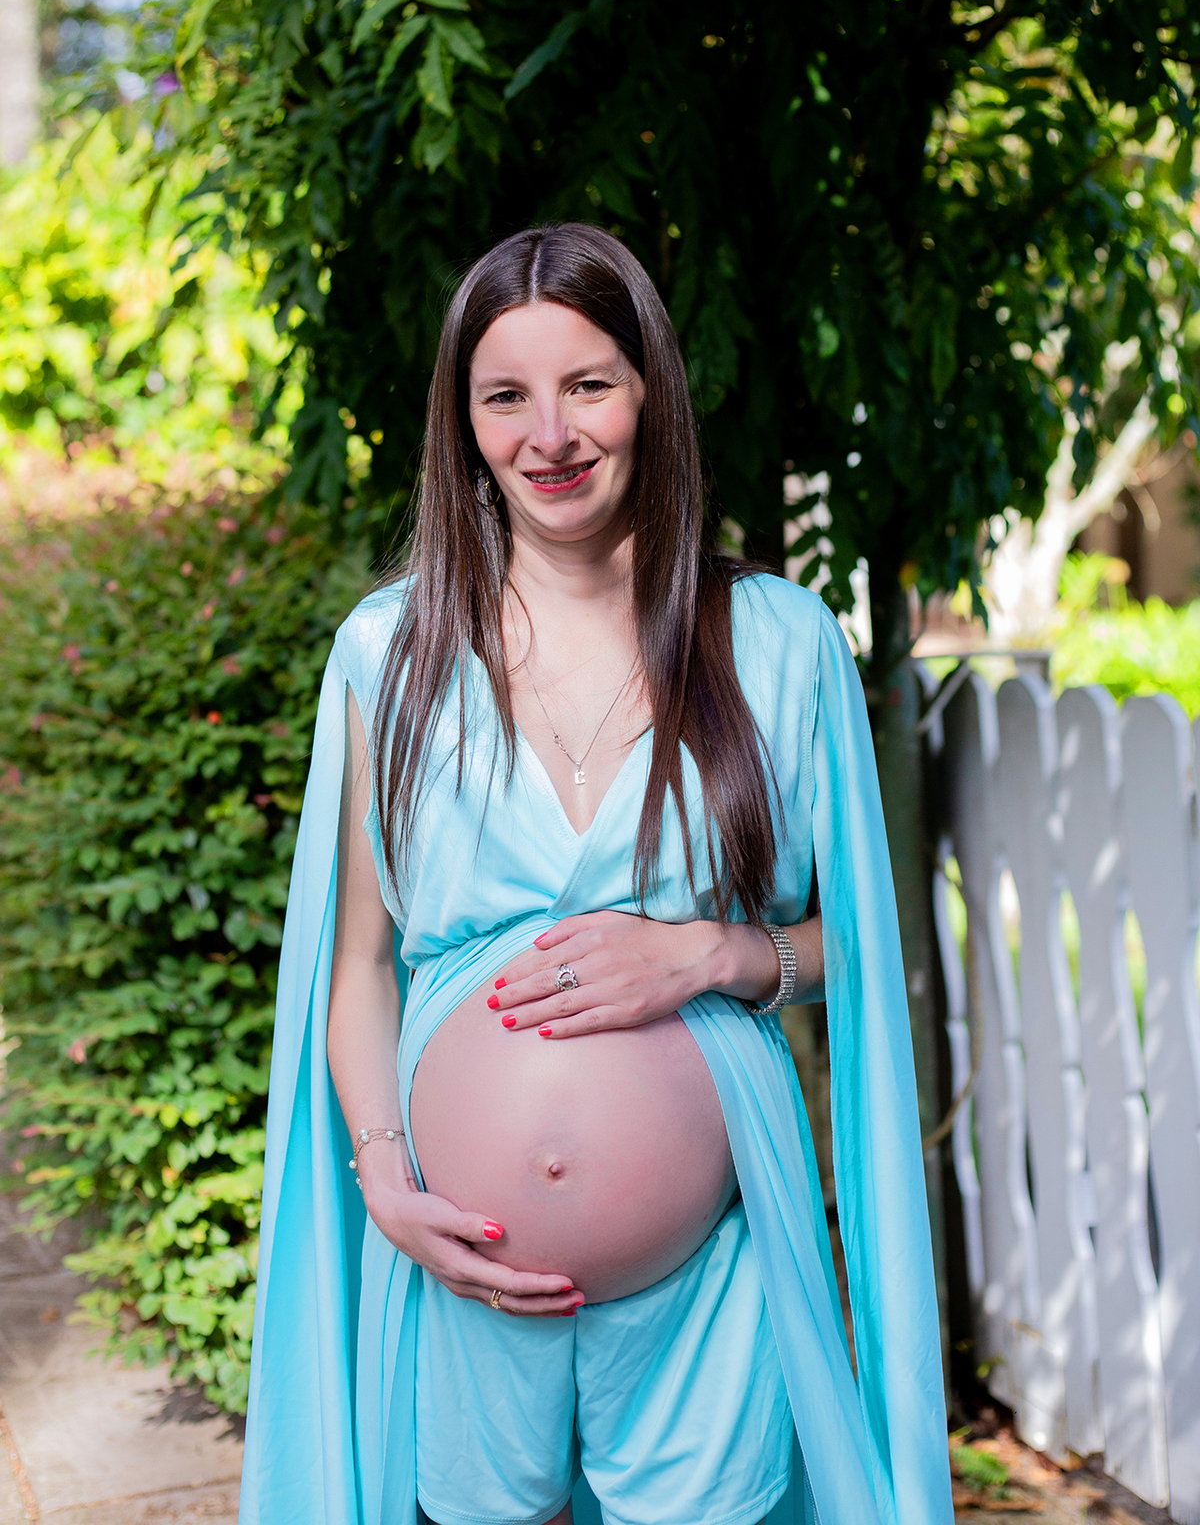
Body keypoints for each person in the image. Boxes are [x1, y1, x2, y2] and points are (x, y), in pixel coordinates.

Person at [238, 224, 954, 1525]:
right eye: (505, 395)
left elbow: (862, 945)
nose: (550, 434)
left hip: (714, 1271)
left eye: (589, 385)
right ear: (464, 425)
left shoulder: (780, 643)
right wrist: (387, 1180)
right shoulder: (385, 653)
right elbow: (352, 962)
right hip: (461, 1268)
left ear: (649, 397)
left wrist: (719, 955)